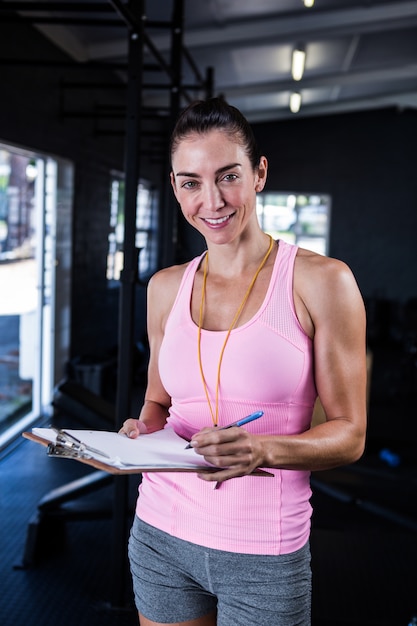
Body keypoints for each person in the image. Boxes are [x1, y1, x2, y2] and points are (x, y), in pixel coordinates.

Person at [119, 97, 367, 626]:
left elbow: (350, 435)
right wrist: (141, 430)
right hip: (161, 531)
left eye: (227, 176)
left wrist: (260, 449)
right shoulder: (165, 287)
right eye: (190, 182)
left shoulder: (323, 282)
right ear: (175, 186)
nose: (211, 200)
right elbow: (158, 401)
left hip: (263, 549)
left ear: (259, 173)